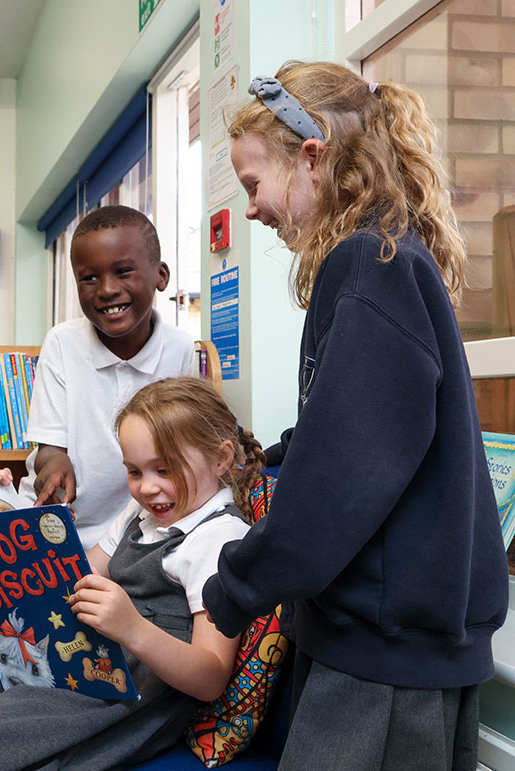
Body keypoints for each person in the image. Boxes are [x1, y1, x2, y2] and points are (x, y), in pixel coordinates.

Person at [202, 61, 510, 770]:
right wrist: (277, 453)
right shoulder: (390, 262)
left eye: (253, 184)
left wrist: (233, 588)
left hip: (385, 662)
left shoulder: (372, 268)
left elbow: (342, 479)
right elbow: (368, 428)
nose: (250, 208)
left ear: (313, 158)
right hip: (399, 645)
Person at [0, 377, 264, 771]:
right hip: (58, 663)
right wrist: (1, 510)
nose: (147, 487)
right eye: (134, 471)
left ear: (222, 457)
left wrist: (133, 629)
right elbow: (62, 576)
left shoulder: (221, 539)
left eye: (164, 469)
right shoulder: (143, 513)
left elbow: (209, 678)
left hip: (114, 701)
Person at [17, 204, 196, 549]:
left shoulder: (180, 348)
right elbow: (49, 447)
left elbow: (184, 447)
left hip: (142, 535)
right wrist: (54, 466)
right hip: (60, 531)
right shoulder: (62, 343)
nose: (107, 289)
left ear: (161, 275)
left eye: (123, 271)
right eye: (90, 278)